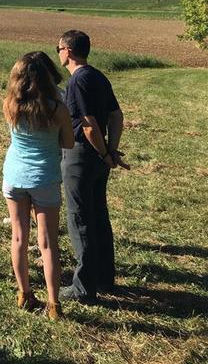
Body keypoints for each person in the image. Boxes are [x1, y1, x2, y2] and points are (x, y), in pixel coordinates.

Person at [57, 30, 129, 304]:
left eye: (59, 48)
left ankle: (83, 288)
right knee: (99, 214)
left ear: (69, 51)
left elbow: (88, 124)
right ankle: (104, 277)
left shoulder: (77, 81)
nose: (59, 54)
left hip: (81, 156)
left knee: (80, 219)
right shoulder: (99, 76)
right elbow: (116, 115)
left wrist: (103, 151)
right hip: (99, 157)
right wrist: (110, 149)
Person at [2, 54, 74, 320]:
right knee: (47, 243)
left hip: (14, 175)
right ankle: (53, 304)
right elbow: (68, 143)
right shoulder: (57, 109)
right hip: (44, 177)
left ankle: (24, 293)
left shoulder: (9, 104)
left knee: (19, 237)